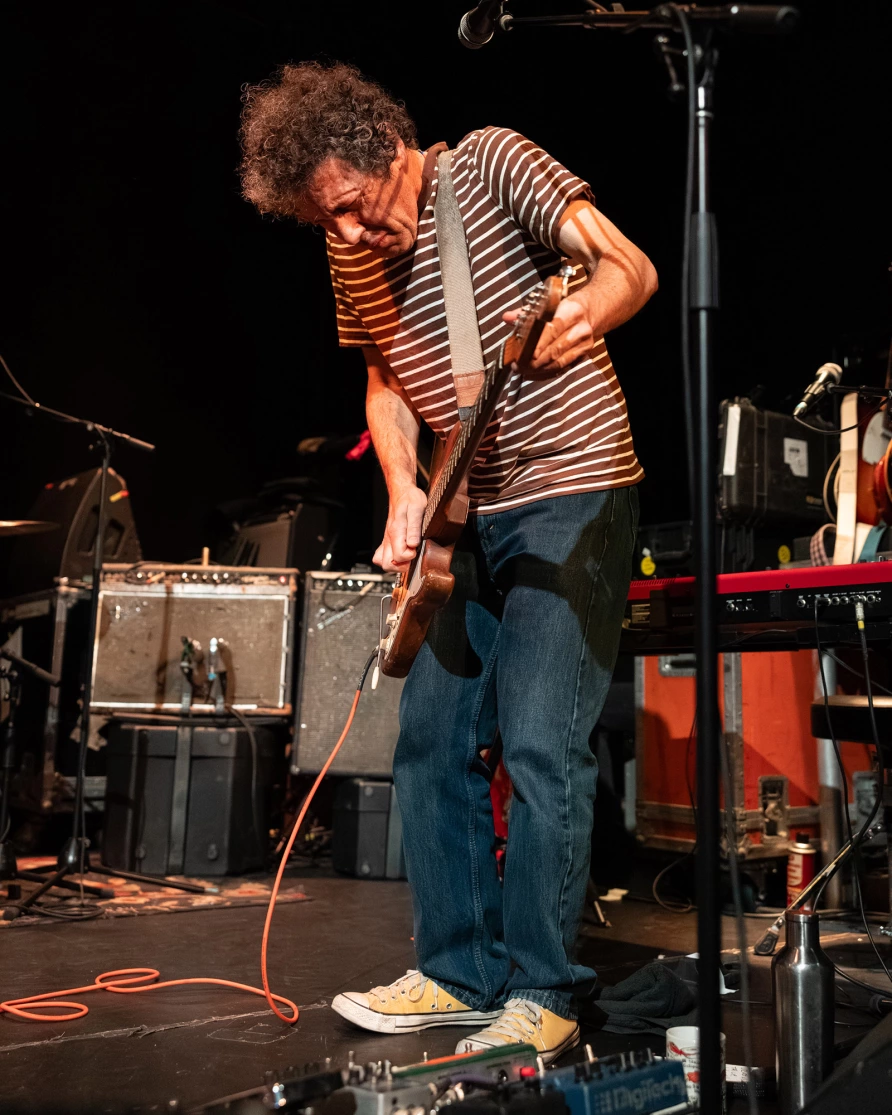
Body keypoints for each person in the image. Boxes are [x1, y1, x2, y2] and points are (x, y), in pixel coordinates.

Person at [240, 62, 656, 1063]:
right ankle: (460, 970)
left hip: (574, 487)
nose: (340, 233)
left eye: (346, 207)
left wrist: (574, 320)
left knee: (539, 741)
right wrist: (402, 489)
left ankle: (545, 986)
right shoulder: (351, 247)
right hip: (462, 504)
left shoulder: (493, 164)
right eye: (317, 222)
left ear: (387, 147)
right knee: (428, 739)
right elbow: (385, 379)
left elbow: (626, 269)